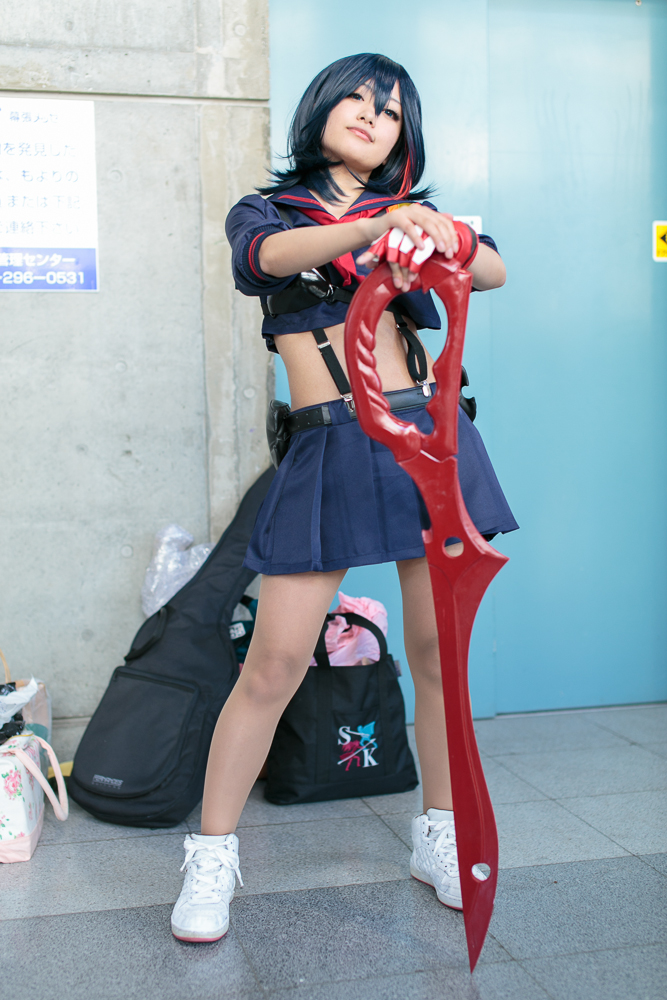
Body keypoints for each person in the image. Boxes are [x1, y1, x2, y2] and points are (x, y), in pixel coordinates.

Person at [170, 53, 518, 943]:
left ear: (404, 136)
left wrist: (438, 234)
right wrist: (377, 225)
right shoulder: (269, 213)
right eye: (357, 99)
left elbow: (489, 272)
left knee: (438, 658)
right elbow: (263, 260)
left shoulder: (417, 214)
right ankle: (211, 856)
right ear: (320, 108)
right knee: (273, 665)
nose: (371, 116)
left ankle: (437, 834)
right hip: (328, 445)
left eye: (390, 111)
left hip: (428, 440)